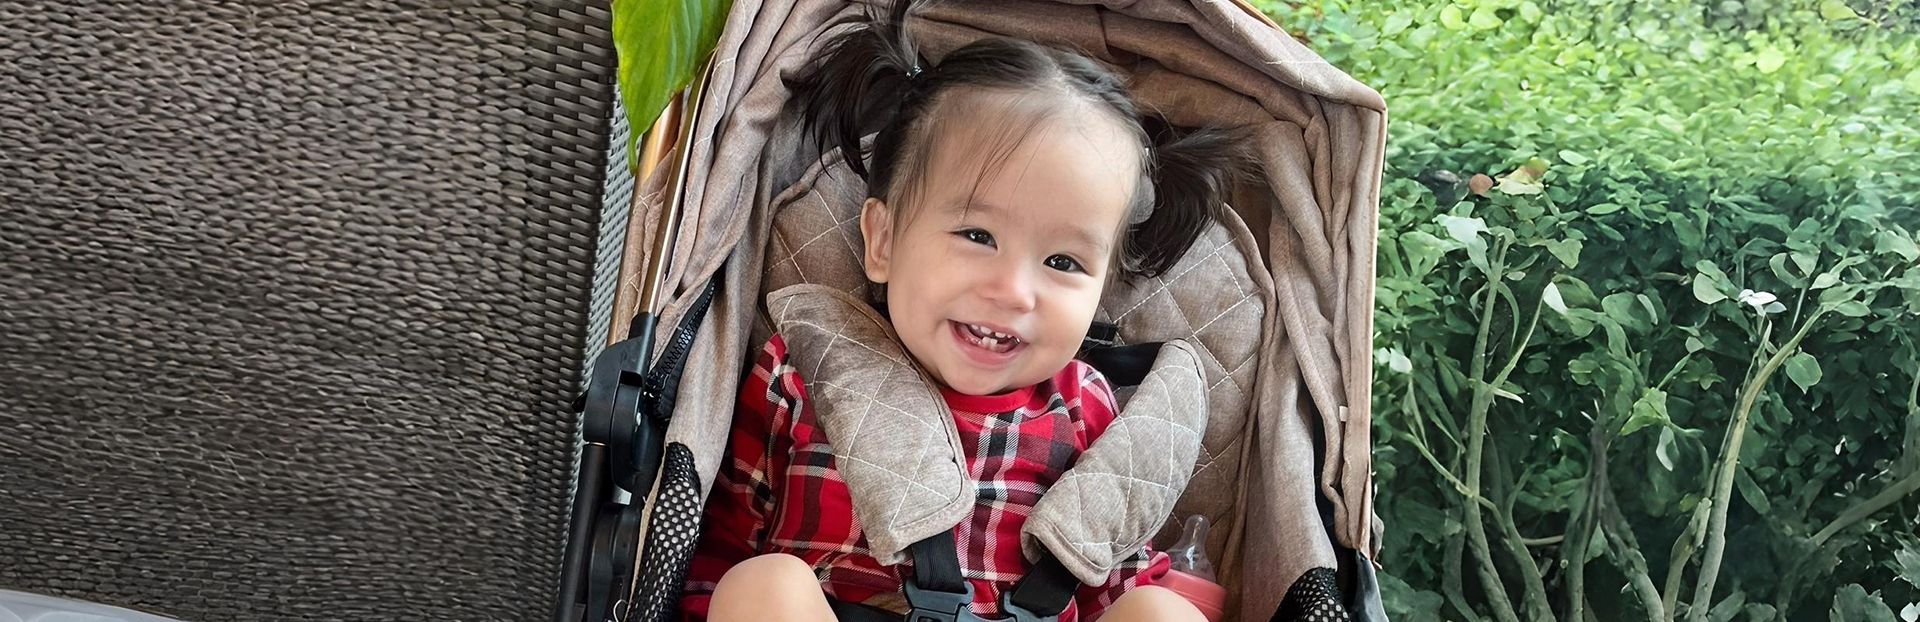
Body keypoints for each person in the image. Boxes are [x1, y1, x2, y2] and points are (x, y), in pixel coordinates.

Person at [681, 2, 1244, 620]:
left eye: (1062, 263)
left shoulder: (1088, 410)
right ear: (884, 241)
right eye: (977, 236)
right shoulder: (804, 371)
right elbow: (728, 538)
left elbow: (1114, 568)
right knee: (761, 586)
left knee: (1161, 614)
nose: (1014, 291)